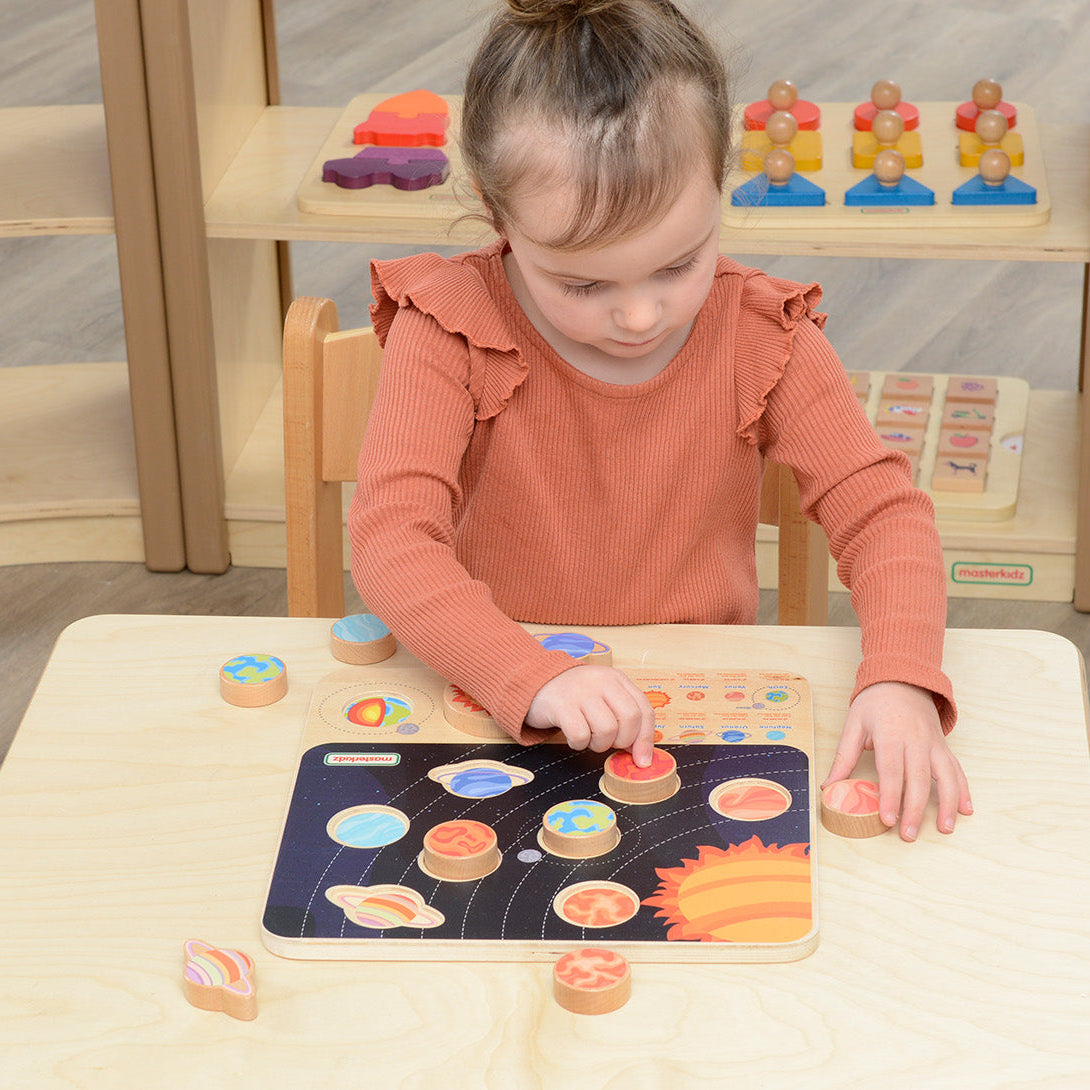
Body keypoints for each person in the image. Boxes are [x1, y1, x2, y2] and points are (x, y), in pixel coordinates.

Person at [348, 0, 972, 841]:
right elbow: (391, 540)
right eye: (583, 285)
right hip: (495, 694)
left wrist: (899, 676)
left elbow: (884, 514)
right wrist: (528, 675)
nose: (641, 317)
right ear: (500, 221)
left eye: (679, 263)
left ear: (720, 184)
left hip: (701, 716)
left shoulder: (763, 333)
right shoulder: (447, 325)